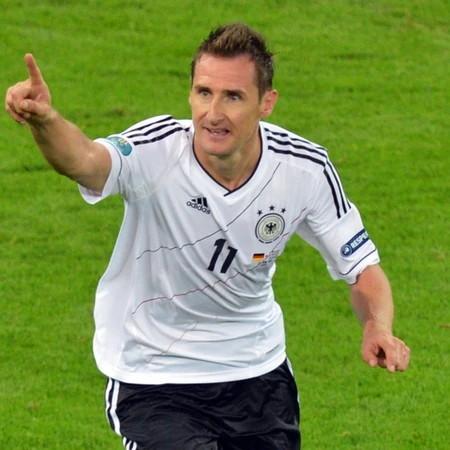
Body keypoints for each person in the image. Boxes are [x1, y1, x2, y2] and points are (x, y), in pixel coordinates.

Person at [6, 22, 410, 450]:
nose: (213, 113)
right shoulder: (156, 151)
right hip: (155, 378)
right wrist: (45, 121)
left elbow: (361, 267)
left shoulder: (304, 169)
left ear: (266, 103)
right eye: (204, 93)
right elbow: (85, 161)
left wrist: (377, 326)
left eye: (232, 96)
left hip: (257, 375)